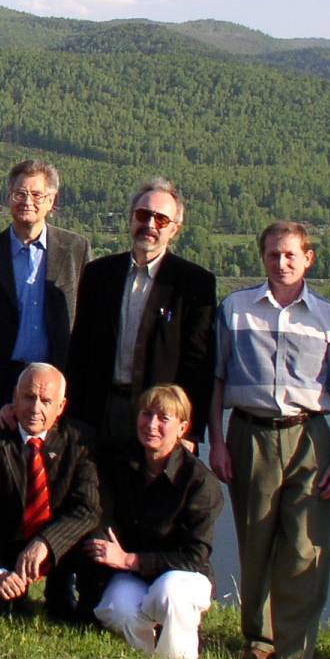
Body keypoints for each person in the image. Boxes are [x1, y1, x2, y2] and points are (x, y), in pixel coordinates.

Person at [208, 221, 330, 659]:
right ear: (263, 257)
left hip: (310, 436)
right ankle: (258, 640)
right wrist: (217, 442)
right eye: (273, 254)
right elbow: (215, 380)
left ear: (308, 258)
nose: (281, 262)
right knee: (255, 540)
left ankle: (295, 654)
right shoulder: (235, 309)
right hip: (250, 434)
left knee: (305, 547)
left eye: (291, 254)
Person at [67, 178, 215, 455]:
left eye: (161, 219)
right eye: (143, 215)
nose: (149, 224)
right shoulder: (98, 274)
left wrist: (190, 430)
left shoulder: (194, 284)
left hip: (160, 421)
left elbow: (199, 365)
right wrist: (71, 417)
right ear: (130, 219)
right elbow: (79, 349)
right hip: (99, 414)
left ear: (174, 229)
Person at [86, 385, 224, 659]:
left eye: (163, 418)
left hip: (183, 575)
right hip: (133, 575)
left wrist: (130, 560)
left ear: (182, 427)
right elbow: (102, 514)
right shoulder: (120, 462)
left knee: (170, 594)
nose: (151, 425)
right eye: (146, 414)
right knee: (117, 609)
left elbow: (195, 556)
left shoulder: (200, 482)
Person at [0, 363, 100, 620]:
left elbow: (87, 510)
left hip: (57, 546)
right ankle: (6, 587)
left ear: (61, 406)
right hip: (5, 544)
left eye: (46, 401)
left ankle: (63, 593)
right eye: (28, 397)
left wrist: (46, 543)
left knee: (93, 556)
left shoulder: (80, 440)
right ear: (14, 397)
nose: (35, 408)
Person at [0, 160, 89, 424]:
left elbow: (86, 312)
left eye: (36, 194)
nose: (27, 201)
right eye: (19, 194)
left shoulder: (75, 248)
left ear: (51, 200)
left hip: (56, 380)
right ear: (9, 197)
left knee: (52, 451)